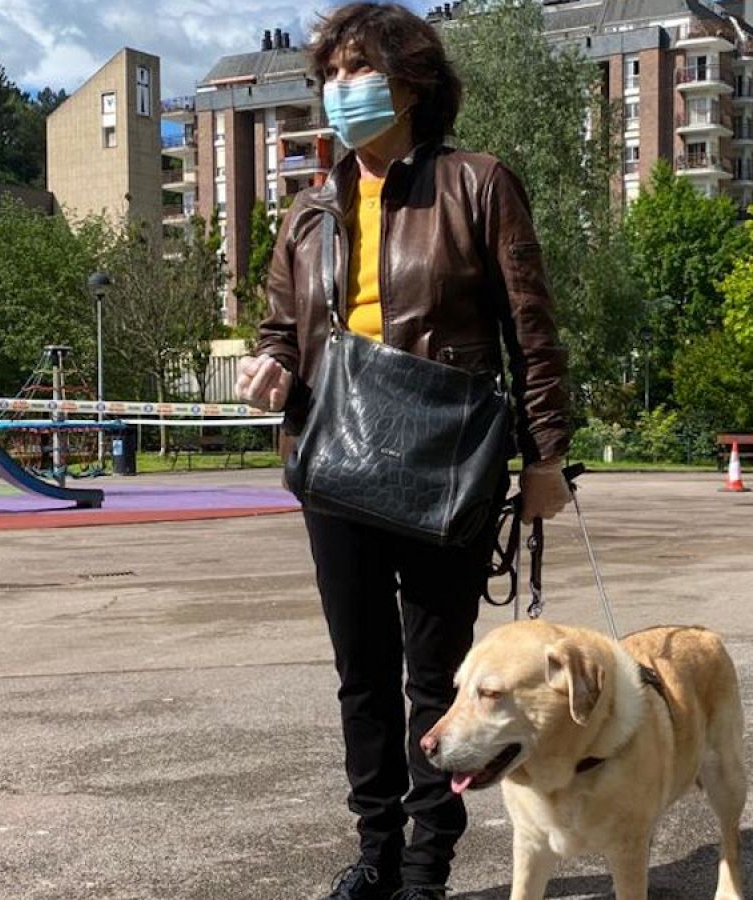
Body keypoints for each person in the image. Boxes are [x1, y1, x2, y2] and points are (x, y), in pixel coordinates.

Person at [233, 5, 572, 898]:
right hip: (334, 458)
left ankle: (426, 868)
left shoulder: (479, 183)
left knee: (436, 680)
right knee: (362, 677)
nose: (340, 90)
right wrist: (270, 363)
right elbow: (279, 325)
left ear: (411, 81)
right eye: (331, 76)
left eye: (357, 71)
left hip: (442, 459)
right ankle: (375, 852)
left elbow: (531, 332)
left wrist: (545, 459)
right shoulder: (310, 210)